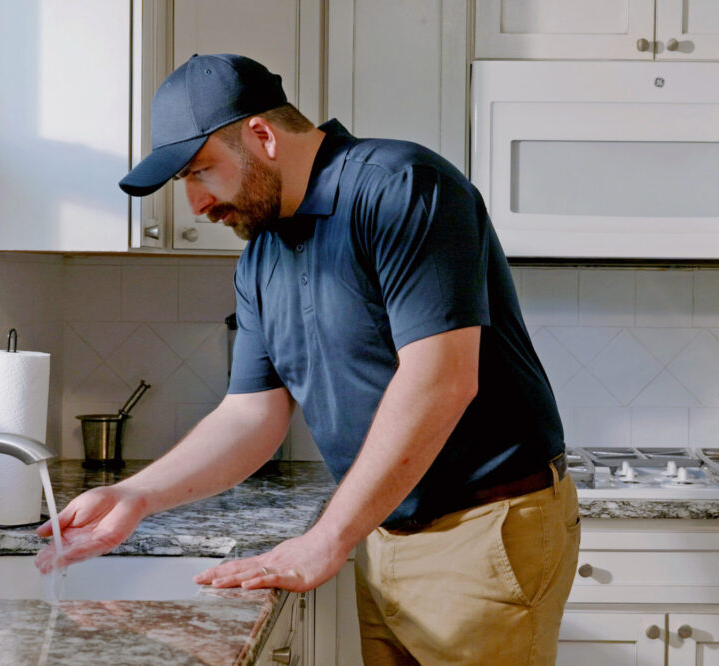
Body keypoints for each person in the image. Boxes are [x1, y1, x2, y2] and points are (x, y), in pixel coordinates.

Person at [35, 53, 580, 665]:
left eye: (200, 172)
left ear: (262, 136)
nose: (195, 204)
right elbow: (249, 416)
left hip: (480, 528)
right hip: (383, 527)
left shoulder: (401, 187)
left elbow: (441, 379)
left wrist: (328, 537)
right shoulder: (261, 256)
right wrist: (136, 495)